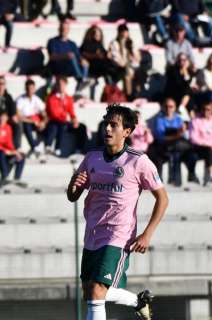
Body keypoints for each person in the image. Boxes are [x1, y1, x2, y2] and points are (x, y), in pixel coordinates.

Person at [67, 104, 169, 320]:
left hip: (119, 234)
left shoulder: (138, 161)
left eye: (114, 125)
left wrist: (147, 234)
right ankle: (138, 301)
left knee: (96, 291)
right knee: (90, 291)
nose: (108, 129)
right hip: (93, 232)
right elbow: (73, 196)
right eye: (107, 124)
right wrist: (73, 184)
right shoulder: (92, 157)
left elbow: (163, 198)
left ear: (127, 132)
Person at [147, 98, 198, 186]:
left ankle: (190, 175)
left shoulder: (178, 119)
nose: (168, 109)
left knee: (190, 154)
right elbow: (160, 137)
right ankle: (172, 180)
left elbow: (184, 135)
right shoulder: (160, 119)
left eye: (171, 106)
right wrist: (176, 135)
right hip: (164, 146)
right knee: (174, 152)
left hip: (177, 146)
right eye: (166, 106)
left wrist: (182, 131)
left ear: (174, 108)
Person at [45, 76, 86, 156]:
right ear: (56, 85)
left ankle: (78, 149)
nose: (61, 86)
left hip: (64, 121)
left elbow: (71, 112)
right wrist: (65, 116)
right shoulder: (51, 98)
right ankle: (56, 147)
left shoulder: (68, 98)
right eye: (59, 84)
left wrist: (74, 120)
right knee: (60, 124)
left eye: (63, 84)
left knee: (82, 127)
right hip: (54, 122)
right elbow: (54, 113)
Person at [47, 19, 89, 90]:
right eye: (62, 28)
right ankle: (80, 79)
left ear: (68, 30)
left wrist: (83, 60)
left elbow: (78, 57)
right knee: (71, 57)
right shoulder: (52, 42)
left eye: (66, 28)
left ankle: (82, 80)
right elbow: (52, 57)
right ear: (59, 29)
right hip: (57, 67)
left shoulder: (72, 44)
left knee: (85, 63)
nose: (64, 30)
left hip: (69, 68)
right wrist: (65, 56)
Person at [80, 25, 124, 90]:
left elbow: (104, 53)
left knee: (120, 69)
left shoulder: (99, 44)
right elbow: (83, 54)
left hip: (102, 66)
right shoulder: (87, 44)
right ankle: (111, 88)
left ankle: (113, 86)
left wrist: (108, 54)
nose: (97, 36)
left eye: (99, 34)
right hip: (93, 67)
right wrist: (96, 55)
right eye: (95, 34)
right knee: (107, 69)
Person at [108, 24, 140, 99]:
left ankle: (137, 94)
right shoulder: (114, 43)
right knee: (127, 75)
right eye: (122, 32)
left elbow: (136, 57)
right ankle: (128, 96)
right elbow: (115, 58)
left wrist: (132, 60)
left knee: (139, 73)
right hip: (118, 67)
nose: (124, 34)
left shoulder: (131, 43)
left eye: (125, 32)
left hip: (131, 65)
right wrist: (125, 64)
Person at [16, 79, 46, 157]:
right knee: (26, 125)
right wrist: (32, 121)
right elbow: (18, 116)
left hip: (36, 121)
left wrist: (43, 122)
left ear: (34, 89)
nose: (30, 91)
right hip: (26, 122)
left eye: (32, 88)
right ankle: (34, 146)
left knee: (50, 126)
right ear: (25, 89)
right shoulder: (20, 100)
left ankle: (43, 147)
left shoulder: (36, 99)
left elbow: (44, 114)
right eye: (28, 89)